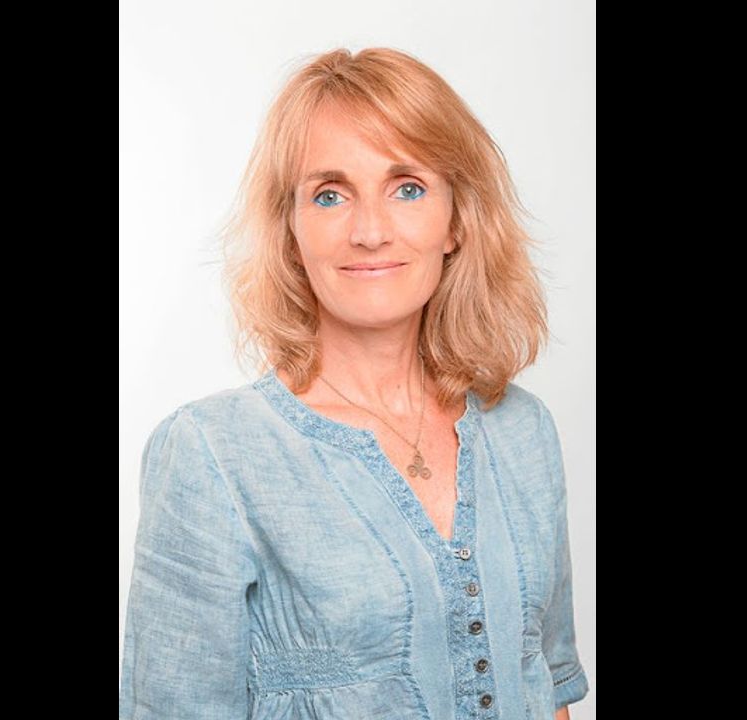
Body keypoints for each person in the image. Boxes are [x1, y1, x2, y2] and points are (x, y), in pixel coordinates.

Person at [119, 47, 589, 719]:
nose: (369, 231)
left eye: (408, 187)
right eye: (330, 195)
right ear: (290, 230)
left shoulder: (523, 430)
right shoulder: (211, 453)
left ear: (456, 220)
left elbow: (546, 682)